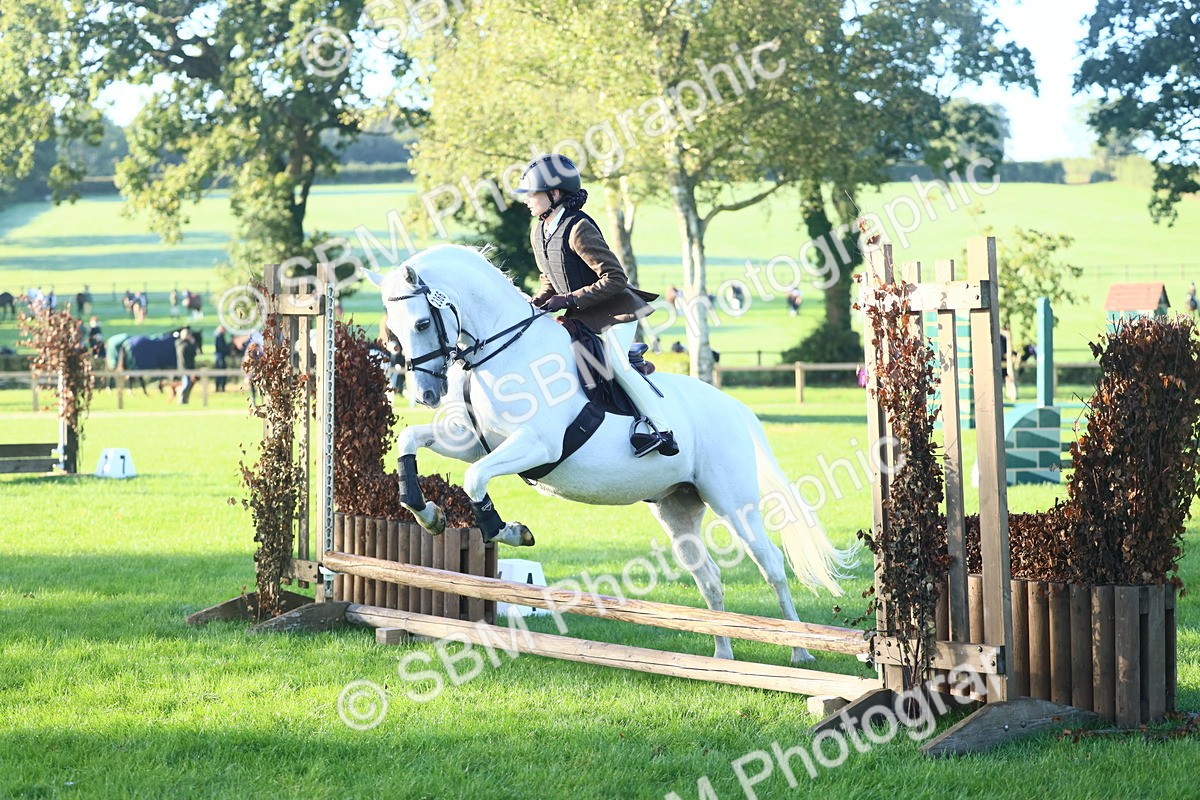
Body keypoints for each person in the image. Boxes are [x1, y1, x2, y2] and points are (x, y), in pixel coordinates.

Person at [514, 154, 677, 457]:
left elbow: (615, 278)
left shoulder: (579, 228)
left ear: (555, 194)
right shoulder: (539, 230)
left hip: (615, 313)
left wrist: (571, 299)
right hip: (582, 318)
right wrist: (538, 300)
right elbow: (550, 279)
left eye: (532, 194)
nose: (526, 200)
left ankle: (662, 429)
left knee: (618, 366)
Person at [213, 324, 231, 391]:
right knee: (221, 372)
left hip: (218, 356)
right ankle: (221, 387)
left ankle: (218, 387)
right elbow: (222, 348)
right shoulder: (219, 336)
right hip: (220, 357)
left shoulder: (218, 336)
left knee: (219, 372)